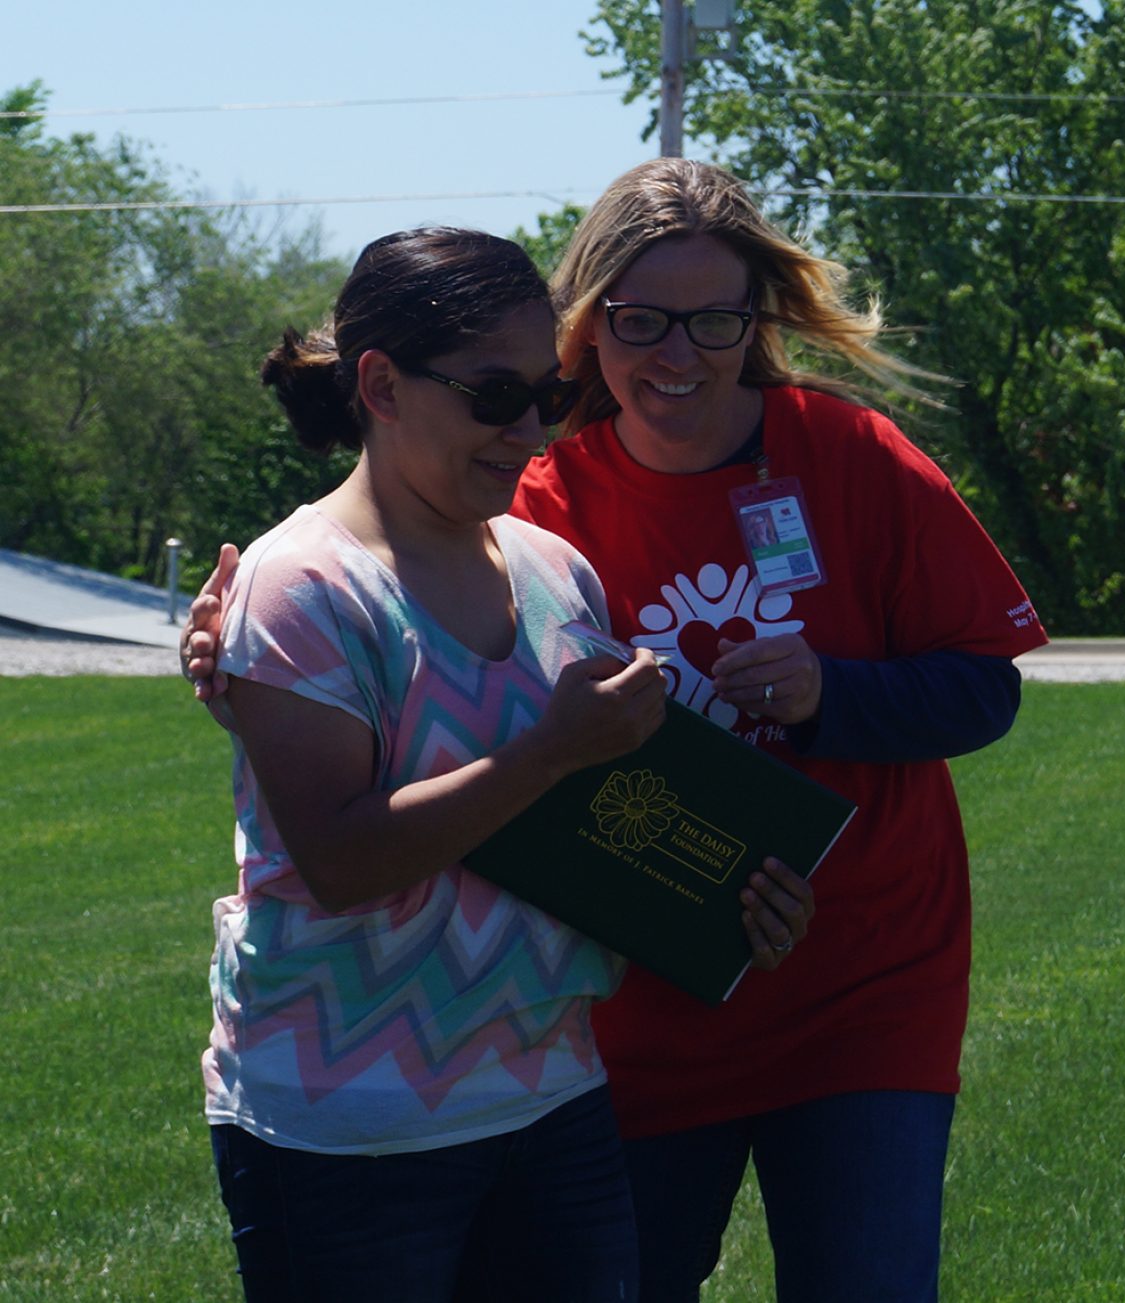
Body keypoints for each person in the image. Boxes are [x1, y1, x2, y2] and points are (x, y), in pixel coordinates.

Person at [186, 159, 1047, 1302]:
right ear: (588, 326)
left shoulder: (840, 462)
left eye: (715, 320)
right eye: (641, 320)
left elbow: (985, 687)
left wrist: (832, 695)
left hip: (853, 983)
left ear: (757, 322)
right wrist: (241, 652)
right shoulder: (533, 497)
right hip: (631, 1011)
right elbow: (392, 616)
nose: (676, 354)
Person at [190, 224, 812, 1303]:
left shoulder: (556, 569)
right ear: (380, 384)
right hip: (350, 1126)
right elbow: (340, 857)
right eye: (492, 396)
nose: (530, 430)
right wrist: (551, 749)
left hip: (552, 1096)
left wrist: (733, 895)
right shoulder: (304, 585)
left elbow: (593, 819)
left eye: (548, 395)